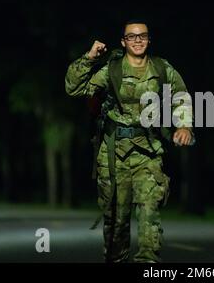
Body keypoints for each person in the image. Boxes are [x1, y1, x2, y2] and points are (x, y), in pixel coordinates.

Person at [65, 19, 193, 263]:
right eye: (132, 37)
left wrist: (184, 125)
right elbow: (74, 88)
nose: (137, 40)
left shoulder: (162, 69)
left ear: (149, 39)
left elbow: (181, 96)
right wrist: (90, 57)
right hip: (114, 156)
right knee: (116, 224)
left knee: (150, 219)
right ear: (123, 41)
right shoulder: (112, 70)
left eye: (142, 36)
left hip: (149, 153)